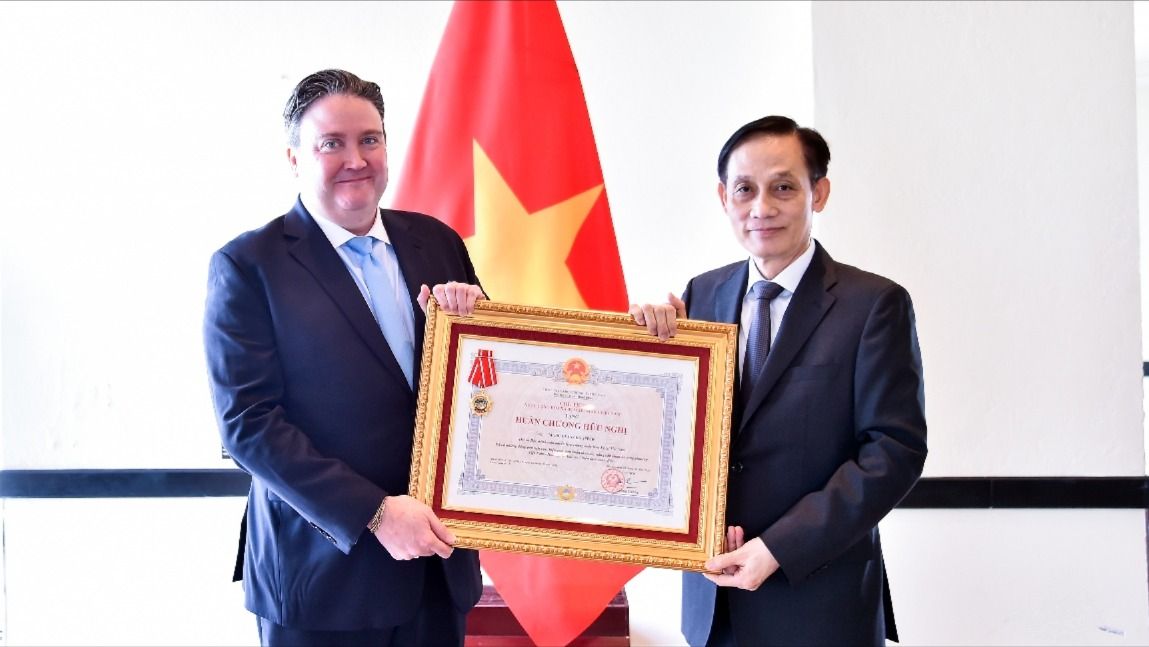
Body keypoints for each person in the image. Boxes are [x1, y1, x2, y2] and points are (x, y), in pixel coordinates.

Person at [203, 69, 486, 646]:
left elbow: (486, 391)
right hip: (322, 578)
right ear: (294, 158)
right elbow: (248, 424)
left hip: (437, 569)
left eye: (369, 139)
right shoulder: (249, 266)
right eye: (331, 143)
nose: (356, 159)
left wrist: (484, 330)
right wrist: (374, 513)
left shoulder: (438, 242)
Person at [631, 116, 927, 646]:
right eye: (745, 189)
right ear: (724, 198)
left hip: (819, 602)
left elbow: (893, 452)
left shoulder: (873, 305)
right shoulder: (701, 295)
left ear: (820, 193)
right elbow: (679, 436)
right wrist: (648, 355)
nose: (761, 208)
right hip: (715, 603)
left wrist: (777, 548)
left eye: (784, 188)